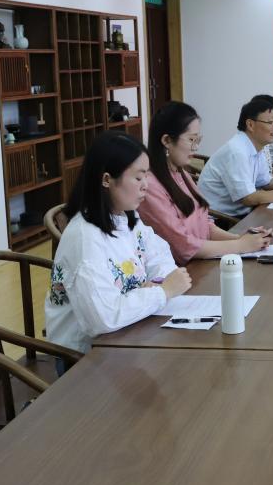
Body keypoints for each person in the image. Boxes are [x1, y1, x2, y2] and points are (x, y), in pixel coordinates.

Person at [45, 131, 193, 356]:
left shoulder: (125, 216)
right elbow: (103, 318)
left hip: (129, 332)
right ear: (106, 180)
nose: (146, 186)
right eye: (138, 178)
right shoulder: (85, 238)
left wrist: (157, 284)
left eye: (147, 176)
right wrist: (162, 292)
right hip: (83, 357)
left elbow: (159, 256)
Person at [139, 102, 271, 265]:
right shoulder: (150, 186)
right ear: (167, 140)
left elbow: (205, 225)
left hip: (201, 262)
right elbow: (183, 246)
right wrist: (240, 245)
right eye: (191, 140)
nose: (195, 147)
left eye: (198, 140)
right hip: (181, 271)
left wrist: (242, 239)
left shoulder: (181, 174)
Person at [199, 97, 273, 217]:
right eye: (270, 123)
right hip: (222, 220)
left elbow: (266, 183)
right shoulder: (237, 151)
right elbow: (248, 198)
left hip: (244, 213)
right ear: (250, 125)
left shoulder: (257, 146)